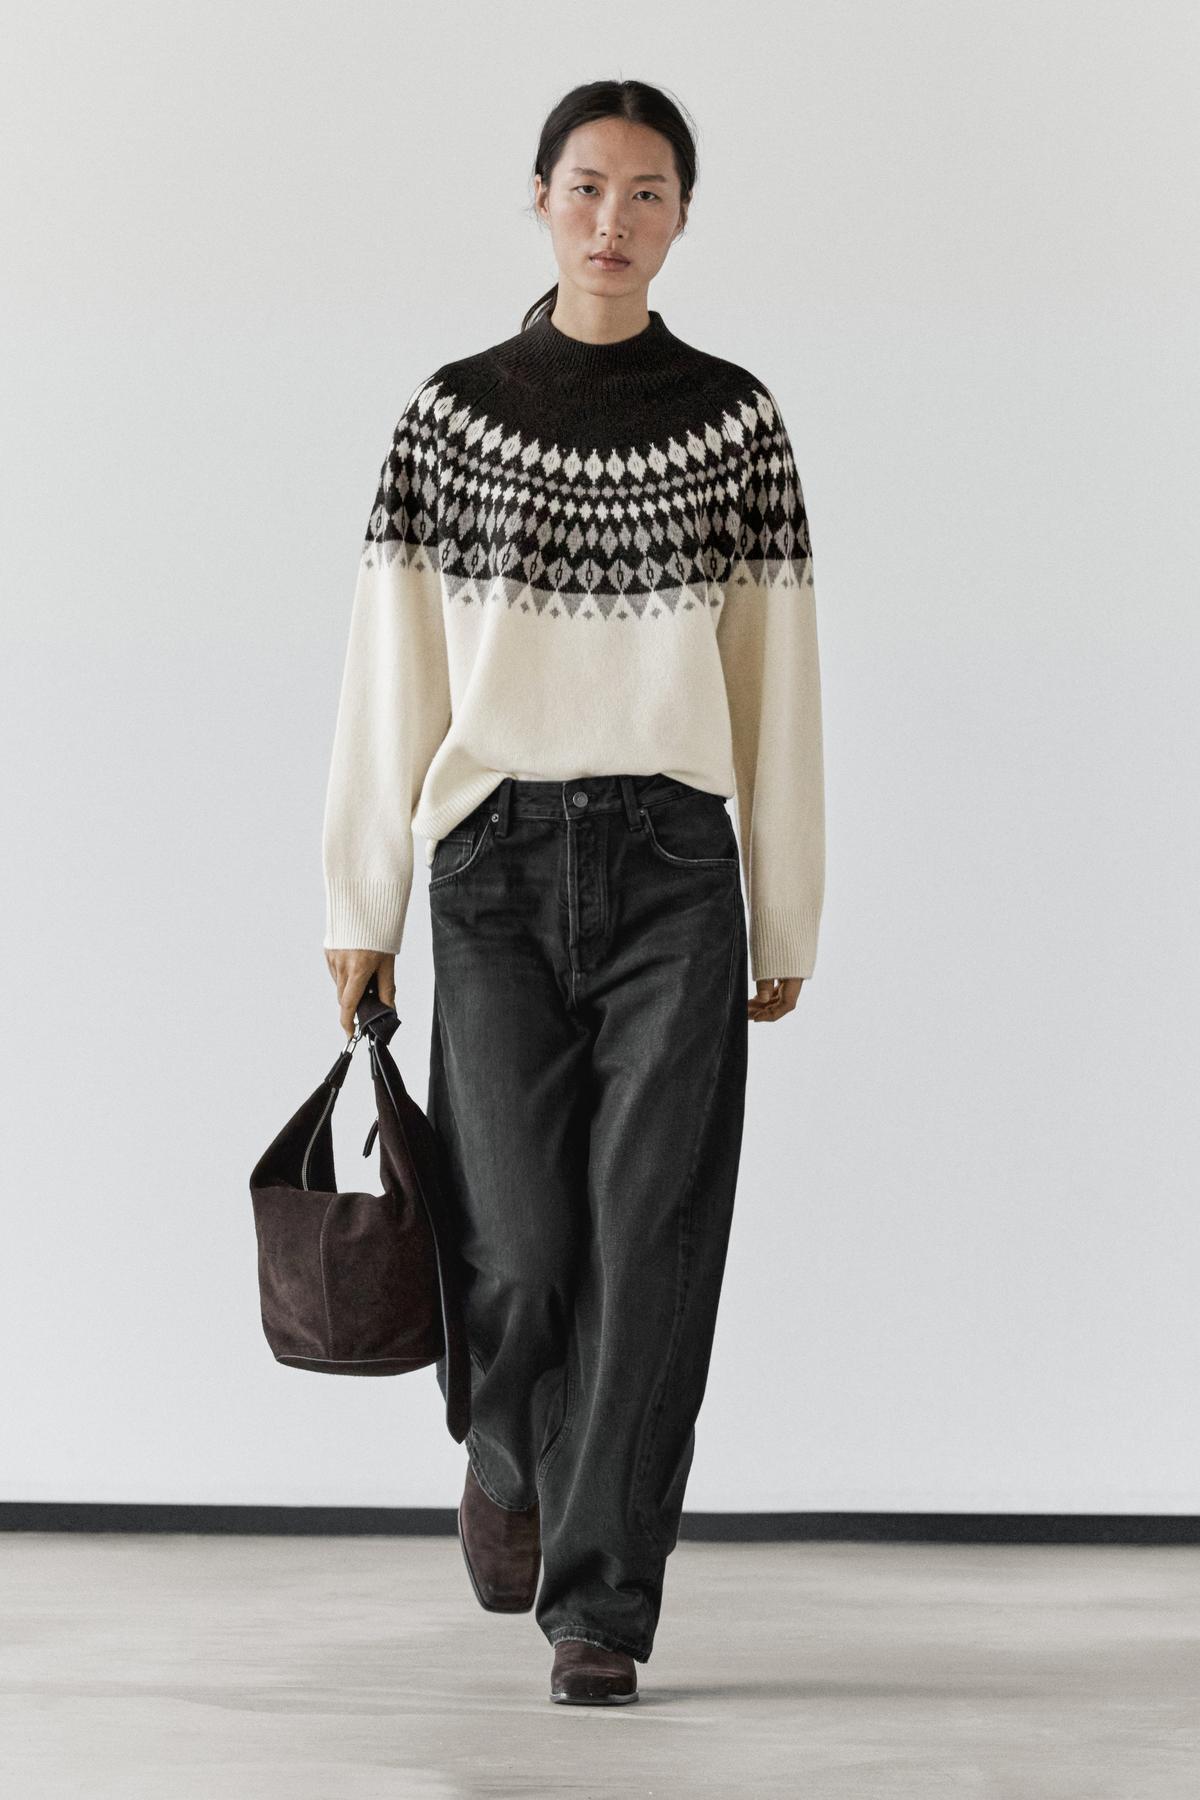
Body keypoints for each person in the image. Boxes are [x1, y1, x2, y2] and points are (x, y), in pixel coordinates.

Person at [320, 77, 825, 1707]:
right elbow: (390, 671)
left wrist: (785, 906)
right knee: (523, 1246)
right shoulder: (449, 418)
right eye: (589, 186)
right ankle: (503, 1453)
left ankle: (600, 1604)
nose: (615, 220)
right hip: (491, 864)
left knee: (649, 1245)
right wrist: (361, 899)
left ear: (683, 218)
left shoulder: (735, 423)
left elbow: (775, 680)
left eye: (649, 193)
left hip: (677, 870)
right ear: (539, 198)